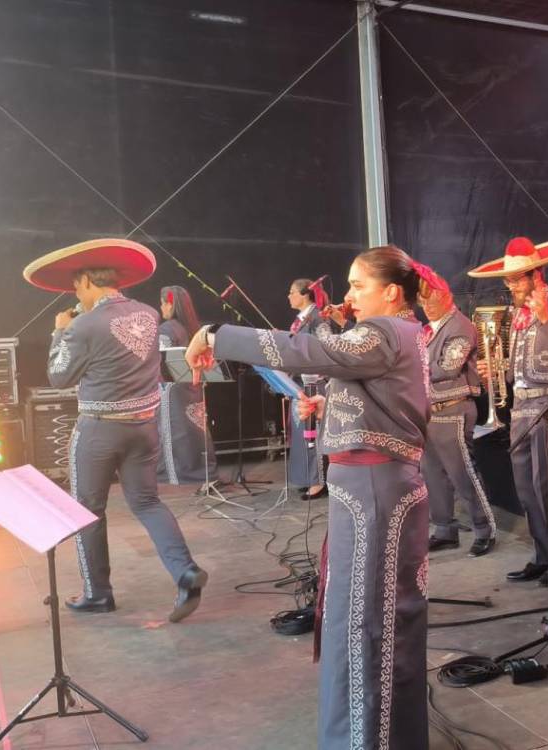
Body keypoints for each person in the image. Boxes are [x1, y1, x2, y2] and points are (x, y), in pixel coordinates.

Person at [185, 245, 430, 749]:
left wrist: (218, 334)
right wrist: (330, 401)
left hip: (374, 490)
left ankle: (368, 741)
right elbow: (374, 390)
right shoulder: (399, 333)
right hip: (369, 489)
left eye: (359, 285)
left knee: (368, 621)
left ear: (391, 291)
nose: (350, 296)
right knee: (362, 615)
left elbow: (320, 352)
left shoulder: (384, 331)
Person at [23, 239, 207, 622]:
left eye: (77, 288)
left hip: (99, 432)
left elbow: (59, 377)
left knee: (87, 511)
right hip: (143, 426)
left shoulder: (84, 325)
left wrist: (60, 332)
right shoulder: (145, 314)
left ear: (88, 281)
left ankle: (98, 593)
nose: (76, 295)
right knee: (147, 502)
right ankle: (185, 570)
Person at [470, 237, 548, 586]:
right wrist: (497, 370)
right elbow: (522, 364)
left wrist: (547, 320)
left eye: (518, 278)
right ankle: (543, 554)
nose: (512, 285)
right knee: (525, 487)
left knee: (547, 484)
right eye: (509, 279)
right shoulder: (517, 316)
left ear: (537, 274)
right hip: (520, 406)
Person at [416, 264, 496, 556]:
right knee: (432, 474)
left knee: (463, 474)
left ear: (446, 296)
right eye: (422, 301)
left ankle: (484, 529)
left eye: (431, 300)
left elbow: (448, 367)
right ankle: (445, 529)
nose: (426, 306)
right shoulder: (430, 329)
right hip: (431, 411)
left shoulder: (460, 326)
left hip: (454, 408)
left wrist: (411, 366)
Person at [156, 285, 216, 485]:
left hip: (171, 388)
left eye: (163, 303)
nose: (161, 307)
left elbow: (160, 359)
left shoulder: (166, 329)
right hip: (192, 385)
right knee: (195, 428)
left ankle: (176, 473)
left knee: (173, 430)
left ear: (171, 305)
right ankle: (202, 470)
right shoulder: (193, 328)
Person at [287, 277, 331, 498]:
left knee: (313, 434)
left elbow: (327, 347)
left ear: (305, 294)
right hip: (301, 382)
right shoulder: (301, 321)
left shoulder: (318, 319)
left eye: (292, 292)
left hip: (314, 383)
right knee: (301, 433)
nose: (289, 296)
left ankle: (319, 481)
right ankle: (307, 476)